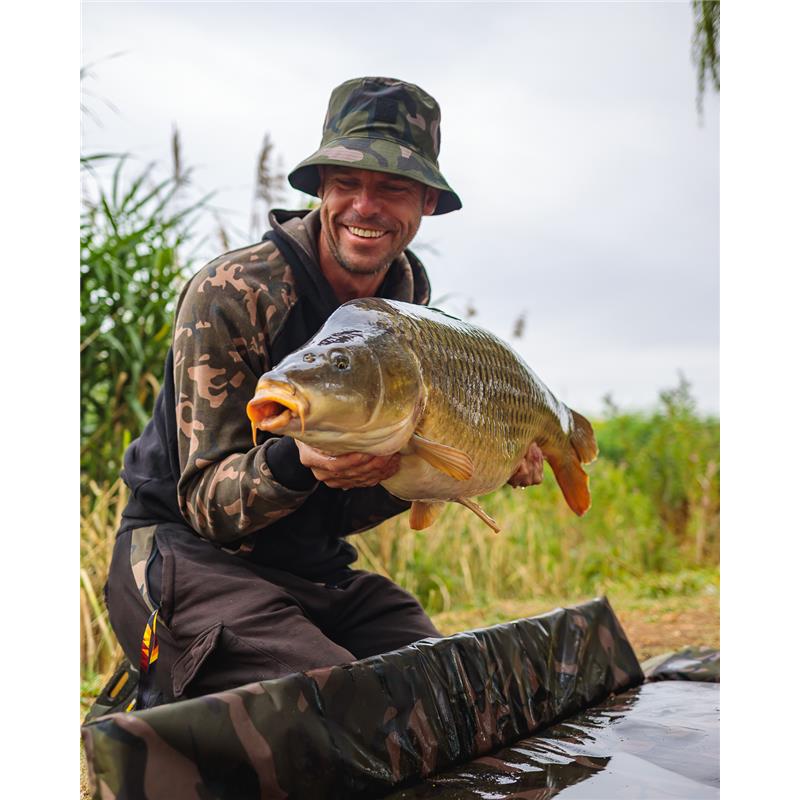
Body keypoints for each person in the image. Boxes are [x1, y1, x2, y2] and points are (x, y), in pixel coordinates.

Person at [104, 76, 544, 708]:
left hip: (310, 570)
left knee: (452, 697)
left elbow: (341, 511)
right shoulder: (234, 292)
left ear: (426, 201)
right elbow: (205, 506)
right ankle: (156, 688)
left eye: (392, 188)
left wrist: (456, 469)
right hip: (182, 554)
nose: (365, 206)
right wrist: (298, 459)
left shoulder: (412, 321)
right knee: (346, 705)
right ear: (321, 190)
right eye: (346, 183)